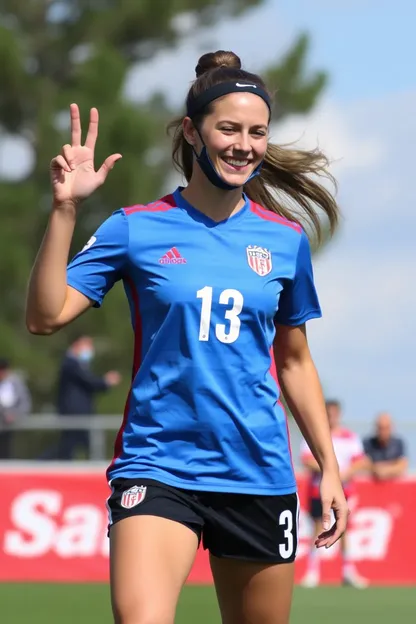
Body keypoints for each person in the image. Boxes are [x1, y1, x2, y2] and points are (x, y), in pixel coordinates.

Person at [26, 49, 349, 624]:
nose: (243, 144)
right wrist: (65, 210)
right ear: (192, 132)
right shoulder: (136, 227)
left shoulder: (285, 241)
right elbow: (45, 316)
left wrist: (328, 466)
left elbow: (295, 362)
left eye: (257, 132)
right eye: (228, 128)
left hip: (257, 470)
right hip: (157, 466)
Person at [301, 399, 369, 589]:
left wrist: (343, 475)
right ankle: (313, 572)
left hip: (343, 490)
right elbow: (306, 459)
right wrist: (329, 471)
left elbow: (360, 461)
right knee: (318, 527)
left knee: (343, 528)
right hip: (319, 490)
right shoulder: (316, 434)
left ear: (338, 414)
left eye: (333, 413)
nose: (331, 416)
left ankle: (348, 572)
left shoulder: (350, 437)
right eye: (327, 413)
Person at [41, 335, 121, 460]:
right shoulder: (70, 363)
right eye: (87, 345)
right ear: (76, 345)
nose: (89, 349)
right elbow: (89, 381)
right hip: (73, 413)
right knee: (69, 445)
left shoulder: (78, 364)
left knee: (78, 444)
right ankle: (42, 462)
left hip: (81, 413)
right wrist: (106, 381)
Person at [0, 358, 32, 459]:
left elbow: (25, 403)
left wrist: (16, 415)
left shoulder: (16, 383)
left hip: (13, 426)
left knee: (8, 452)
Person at [364, 412, 408, 480]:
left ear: (391, 428)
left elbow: (402, 465)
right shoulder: (368, 443)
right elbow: (363, 464)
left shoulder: (398, 443)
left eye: (386, 428)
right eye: (381, 428)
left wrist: (384, 470)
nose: (383, 432)